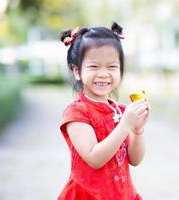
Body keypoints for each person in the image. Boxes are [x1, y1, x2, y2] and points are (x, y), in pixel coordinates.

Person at [58, 22, 151, 200]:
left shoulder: (121, 111)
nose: (103, 74)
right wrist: (126, 124)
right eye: (94, 66)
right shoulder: (77, 113)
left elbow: (135, 160)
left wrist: (137, 129)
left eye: (112, 66)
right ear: (77, 71)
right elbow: (94, 158)